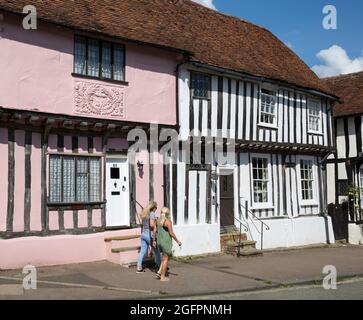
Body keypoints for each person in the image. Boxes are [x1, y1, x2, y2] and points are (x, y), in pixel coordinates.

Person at [156, 207, 182, 282]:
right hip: (166, 242)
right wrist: (178, 241)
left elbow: (156, 230)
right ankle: (162, 277)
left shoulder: (158, 220)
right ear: (168, 214)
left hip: (159, 241)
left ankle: (159, 272)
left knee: (163, 258)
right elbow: (171, 233)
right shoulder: (168, 222)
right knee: (165, 260)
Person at [136, 201, 162, 273]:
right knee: (157, 251)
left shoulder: (144, 213)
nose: (156, 209)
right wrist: (156, 222)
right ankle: (160, 267)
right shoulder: (152, 213)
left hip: (143, 234)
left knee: (142, 251)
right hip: (149, 236)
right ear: (153, 207)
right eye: (156, 207)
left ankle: (139, 267)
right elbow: (151, 225)